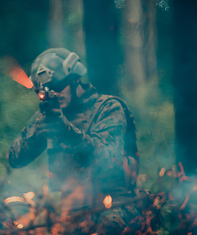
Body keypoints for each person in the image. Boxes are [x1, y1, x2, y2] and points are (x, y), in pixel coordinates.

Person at [7, 48, 141, 233]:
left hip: (114, 204)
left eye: (58, 87)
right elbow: (15, 158)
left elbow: (106, 159)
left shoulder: (109, 108)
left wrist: (66, 131)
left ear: (75, 79)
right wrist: (37, 131)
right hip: (70, 212)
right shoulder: (49, 115)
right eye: (46, 91)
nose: (54, 94)